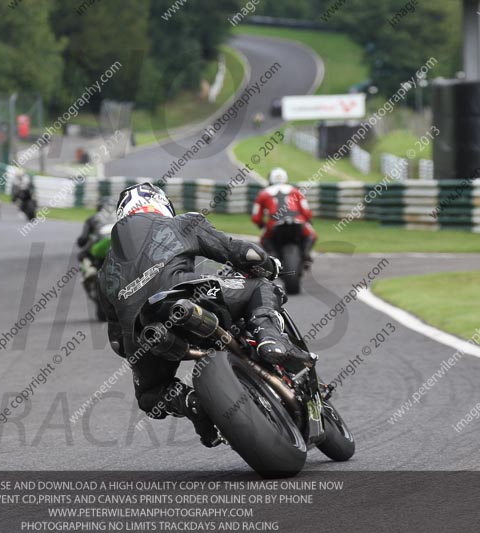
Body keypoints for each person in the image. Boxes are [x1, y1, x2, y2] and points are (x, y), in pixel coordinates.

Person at [98, 183, 314, 447]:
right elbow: (244, 253)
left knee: (150, 395)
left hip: (144, 331)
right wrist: (267, 264)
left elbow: (117, 341)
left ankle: (192, 404)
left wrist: (138, 348)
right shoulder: (183, 224)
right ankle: (270, 338)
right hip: (190, 295)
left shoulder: (106, 267)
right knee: (261, 286)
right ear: (161, 204)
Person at [251, 167, 317, 267]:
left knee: (263, 239)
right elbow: (306, 211)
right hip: (297, 220)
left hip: (274, 222)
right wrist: (308, 219)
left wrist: (261, 224)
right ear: (286, 179)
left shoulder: (263, 193)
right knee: (311, 235)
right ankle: (306, 254)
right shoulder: (295, 191)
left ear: (270, 179)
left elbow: (256, 217)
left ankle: (272, 257)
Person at [77, 196, 117, 276]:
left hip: (101, 246)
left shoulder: (93, 218)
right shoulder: (123, 217)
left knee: (82, 254)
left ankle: (89, 272)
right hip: (120, 245)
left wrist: (81, 243)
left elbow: (83, 239)